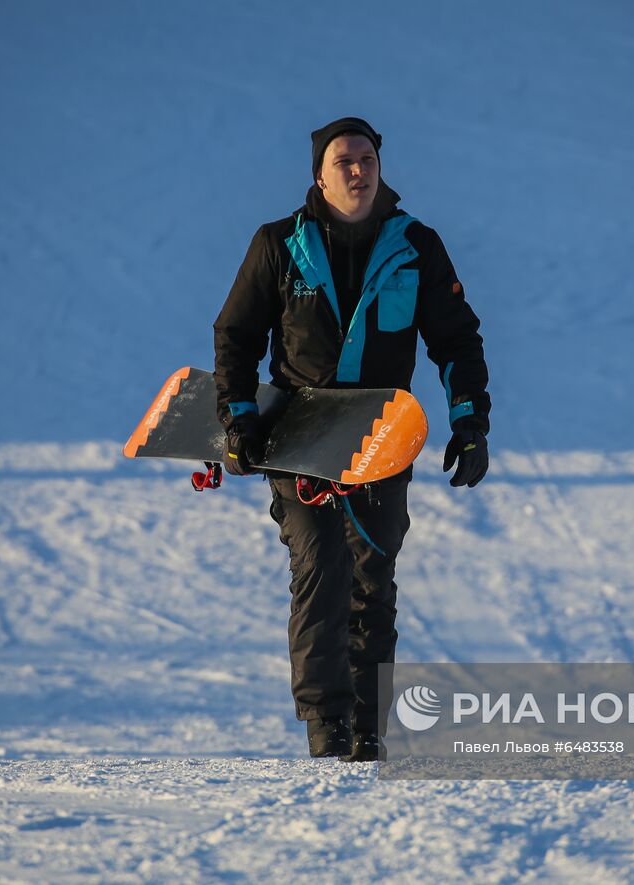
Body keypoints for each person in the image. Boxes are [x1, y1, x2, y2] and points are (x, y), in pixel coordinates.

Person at [213, 117, 490, 761]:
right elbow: (236, 335)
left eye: (368, 158)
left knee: (373, 576)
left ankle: (368, 730)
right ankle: (327, 728)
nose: (359, 170)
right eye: (345, 161)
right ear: (320, 174)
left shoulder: (415, 246)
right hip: (299, 433)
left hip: (379, 437)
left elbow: (455, 340)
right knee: (320, 566)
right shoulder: (280, 244)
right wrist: (238, 416)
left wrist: (470, 420)